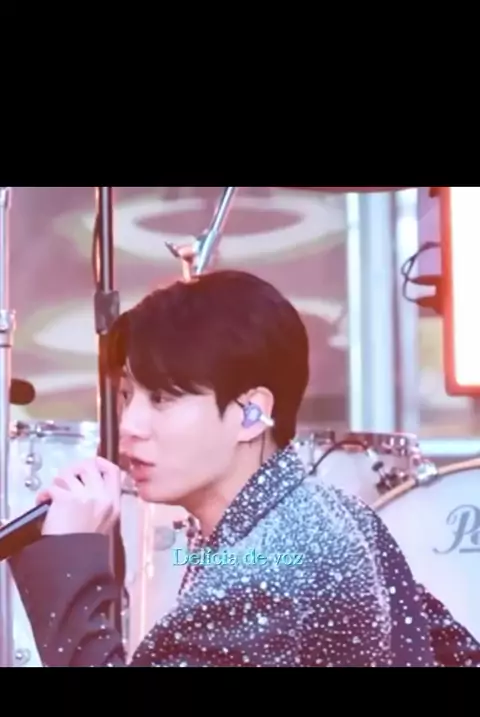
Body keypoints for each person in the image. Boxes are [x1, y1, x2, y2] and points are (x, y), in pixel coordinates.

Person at [7, 271, 479, 666]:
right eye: (128, 396)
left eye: (162, 398)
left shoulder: (257, 584)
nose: (129, 424)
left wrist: (69, 562)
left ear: (252, 414)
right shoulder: (336, 515)